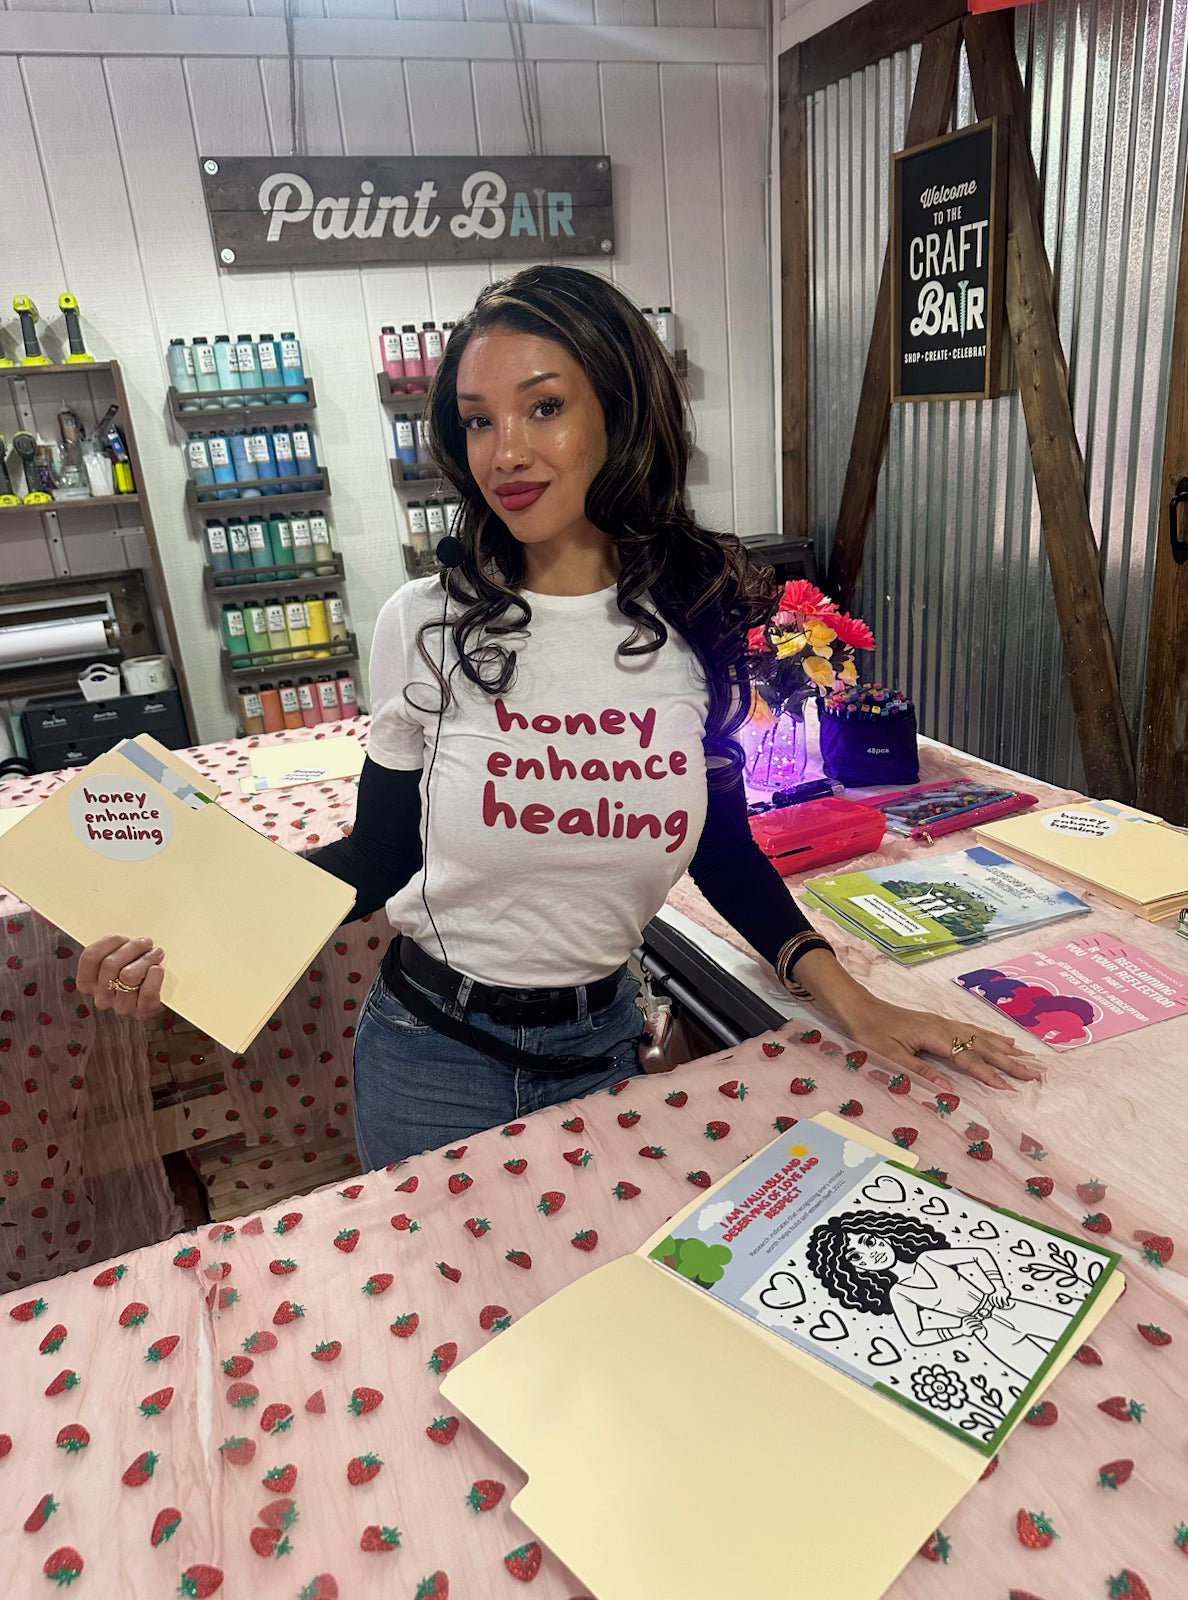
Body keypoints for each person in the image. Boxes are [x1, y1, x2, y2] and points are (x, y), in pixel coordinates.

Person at [76, 266, 1039, 1169]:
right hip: (432, 1057)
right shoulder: (424, 625)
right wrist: (183, 933)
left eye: (544, 407)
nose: (507, 452)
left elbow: (721, 849)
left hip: (607, 1048)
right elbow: (376, 862)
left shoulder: (694, 621)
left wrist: (853, 1001)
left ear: (619, 412)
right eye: (478, 420)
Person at [805, 1210, 1072, 1382]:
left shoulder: (928, 1258)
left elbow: (979, 1254)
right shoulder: (899, 1293)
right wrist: (958, 1329)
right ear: (858, 1268)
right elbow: (916, 1336)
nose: (870, 1252)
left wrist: (997, 1287)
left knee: (1072, 1332)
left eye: (869, 1241)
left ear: (884, 1237)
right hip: (985, 1332)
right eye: (856, 1256)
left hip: (1007, 1305)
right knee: (1043, 1377)